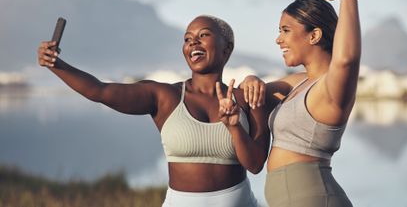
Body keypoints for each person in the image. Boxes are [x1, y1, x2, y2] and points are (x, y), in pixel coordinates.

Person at [37, 15, 269, 207]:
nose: (193, 42)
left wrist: (235, 127)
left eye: (203, 35)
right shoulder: (164, 97)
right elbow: (100, 91)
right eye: (187, 39)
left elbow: (256, 165)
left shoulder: (248, 97)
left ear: (227, 48)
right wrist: (57, 65)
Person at [240, 0, 360, 207]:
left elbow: (346, 59)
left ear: (314, 35)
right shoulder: (299, 83)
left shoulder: (332, 87)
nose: (278, 39)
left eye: (286, 30)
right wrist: (251, 79)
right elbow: (251, 93)